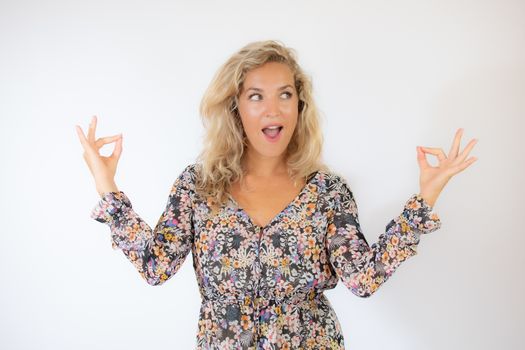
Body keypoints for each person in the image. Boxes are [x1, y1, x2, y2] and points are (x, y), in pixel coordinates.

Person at [75, 40, 478, 350]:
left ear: (299, 106)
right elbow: (155, 265)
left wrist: (425, 198)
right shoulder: (199, 187)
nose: (274, 109)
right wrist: (106, 186)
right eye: (257, 96)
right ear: (235, 108)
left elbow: (362, 278)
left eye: (285, 95)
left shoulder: (327, 193)